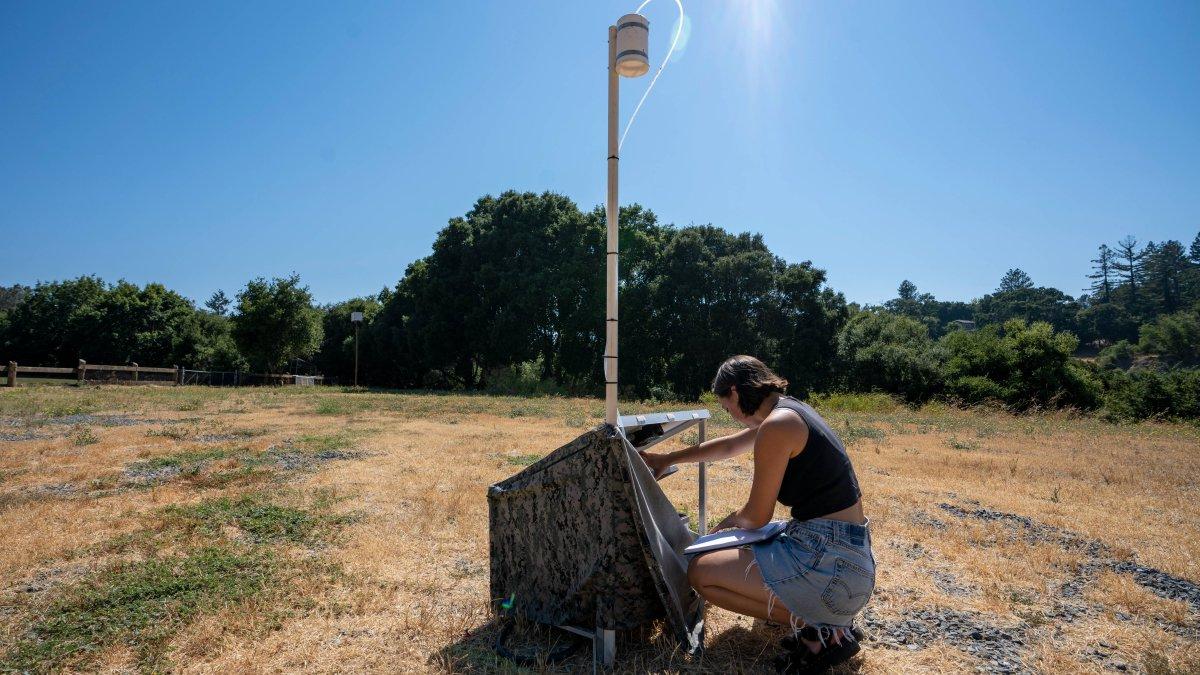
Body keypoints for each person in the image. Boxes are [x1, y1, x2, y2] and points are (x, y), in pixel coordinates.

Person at [640, 355, 874, 674]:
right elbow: (728, 447)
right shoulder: (789, 413)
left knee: (701, 573)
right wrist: (666, 458)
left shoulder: (777, 426)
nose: (732, 416)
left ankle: (824, 628)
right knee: (732, 554)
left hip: (829, 567)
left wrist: (726, 526)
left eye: (726, 408)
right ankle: (826, 620)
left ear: (734, 392)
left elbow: (755, 518)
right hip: (848, 561)